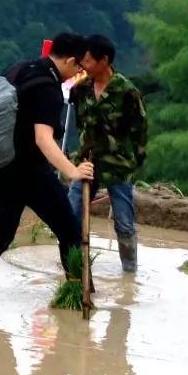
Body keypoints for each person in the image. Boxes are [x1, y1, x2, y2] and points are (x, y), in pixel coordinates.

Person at [0, 32, 95, 295]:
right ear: (69, 60)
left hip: (1, 167)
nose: (79, 71)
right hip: (30, 174)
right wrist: (73, 171)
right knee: (69, 232)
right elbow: (44, 140)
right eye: (79, 66)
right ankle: (79, 292)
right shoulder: (48, 90)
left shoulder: (20, 68)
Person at [68, 34, 148, 273]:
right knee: (71, 215)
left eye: (89, 61)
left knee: (124, 222)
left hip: (118, 164)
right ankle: (73, 267)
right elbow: (79, 122)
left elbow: (140, 131)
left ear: (104, 61)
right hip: (86, 162)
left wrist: (134, 163)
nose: (84, 66)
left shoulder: (127, 92)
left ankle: (130, 273)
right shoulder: (80, 88)